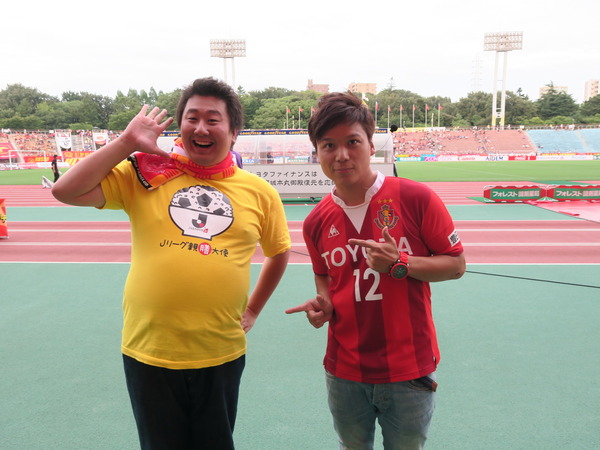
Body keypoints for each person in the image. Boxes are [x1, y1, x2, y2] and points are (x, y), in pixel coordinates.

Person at [52, 77, 291, 449]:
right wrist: (126, 143)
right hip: (150, 349)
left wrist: (254, 310)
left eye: (213, 119)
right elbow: (65, 190)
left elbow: (279, 251)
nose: (201, 128)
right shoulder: (146, 174)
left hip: (220, 350)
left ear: (234, 132)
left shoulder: (260, 193)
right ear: (180, 126)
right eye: (192, 118)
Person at [286, 92, 465, 449]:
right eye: (328, 145)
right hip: (344, 370)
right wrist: (324, 302)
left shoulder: (416, 198)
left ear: (371, 145)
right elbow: (324, 275)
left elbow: (456, 265)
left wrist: (400, 263)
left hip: (409, 368)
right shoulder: (315, 221)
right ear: (317, 152)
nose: (341, 155)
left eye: (352, 142)